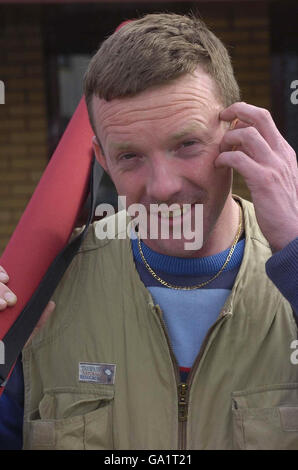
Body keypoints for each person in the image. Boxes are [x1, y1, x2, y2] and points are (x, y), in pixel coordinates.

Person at [0, 12, 297, 450]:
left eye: (186, 144)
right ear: (102, 159)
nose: (162, 188)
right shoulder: (45, 285)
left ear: (236, 135)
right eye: (130, 156)